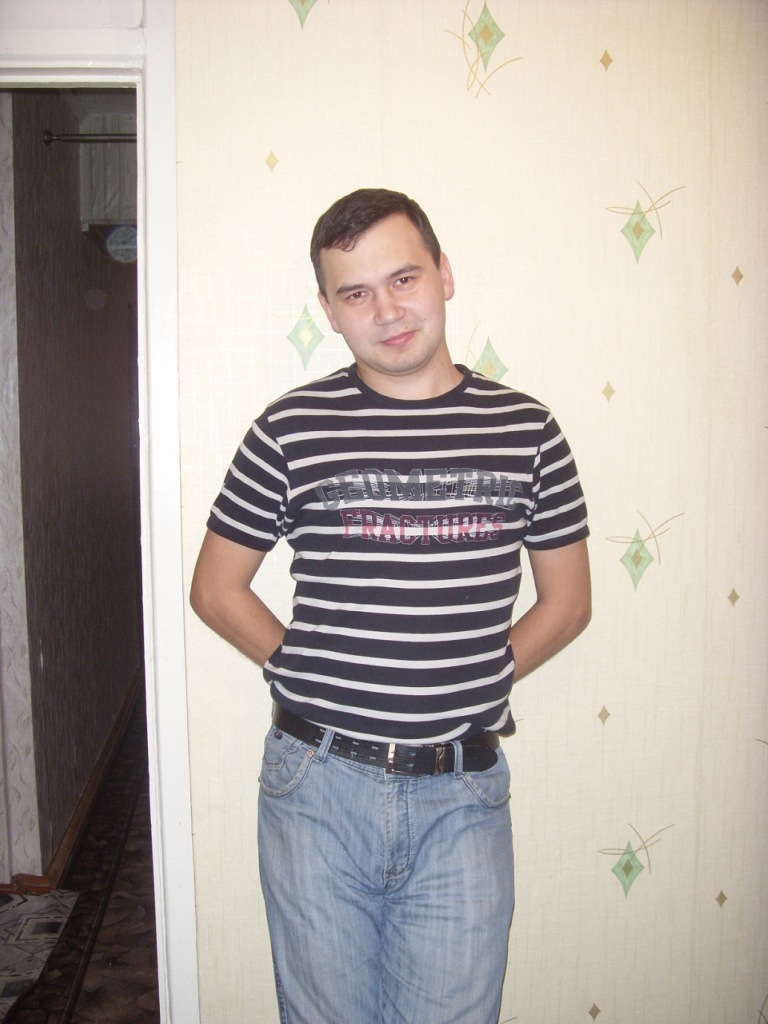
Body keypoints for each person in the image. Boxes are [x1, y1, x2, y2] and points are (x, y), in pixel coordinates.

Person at [190, 188, 591, 1024]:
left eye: (404, 278)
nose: (387, 310)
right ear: (329, 311)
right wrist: (302, 667)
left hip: (462, 794)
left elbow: (568, 603)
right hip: (316, 786)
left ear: (444, 274)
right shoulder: (289, 429)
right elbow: (216, 588)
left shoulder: (529, 432)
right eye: (356, 293)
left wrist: (479, 676)